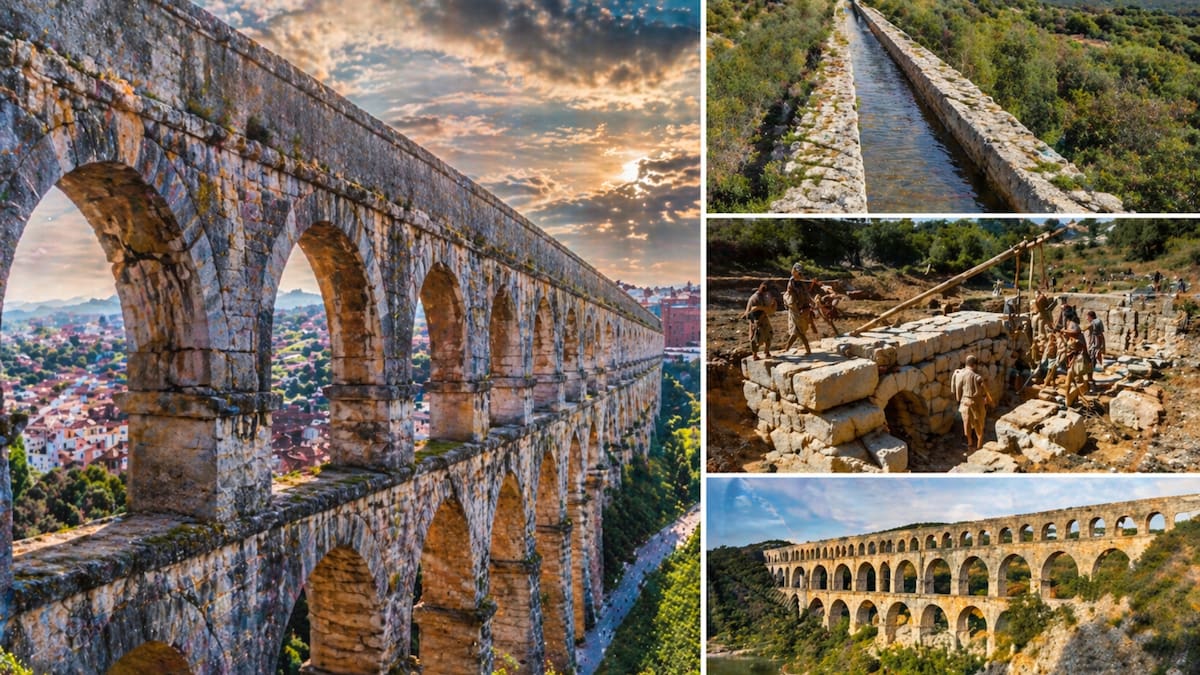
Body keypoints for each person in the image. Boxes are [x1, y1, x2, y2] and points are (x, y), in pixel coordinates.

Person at [951, 355, 995, 452]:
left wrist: (959, 399)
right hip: (976, 403)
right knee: (979, 426)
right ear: (974, 365)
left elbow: (957, 390)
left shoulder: (960, 374)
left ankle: (970, 444)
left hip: (965, 403)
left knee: (966, 426)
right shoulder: (977, 377)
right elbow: (984, 388)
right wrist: (990, 399)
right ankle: (979, 446)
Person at [783, 264, 814, 354]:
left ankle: (787, 348)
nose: (799, 274)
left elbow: (806, 292)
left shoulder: (801, 281)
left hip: (803, 307)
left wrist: (811, 301)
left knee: (796, 331)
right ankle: (808, 349)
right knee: (799, 331)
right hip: (795, 308)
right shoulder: (792, 281)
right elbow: (791, 293)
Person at [744, 282, 776, 360]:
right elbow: (754, 310)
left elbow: (767, 309)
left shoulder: (762, 296)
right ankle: (755, 355)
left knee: (769, 334)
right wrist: (762, 308)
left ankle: (767, 352)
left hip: (763, 318)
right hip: (756, 319)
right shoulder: (756, 298)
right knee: (756, 337)